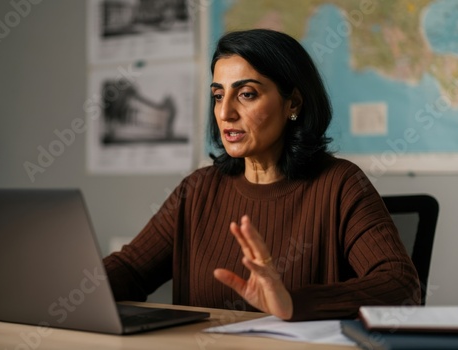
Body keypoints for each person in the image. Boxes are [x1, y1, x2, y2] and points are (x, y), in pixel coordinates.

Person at [104, 28, 420, 321]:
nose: (225, 112)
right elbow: (130, 270)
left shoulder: (341, 184)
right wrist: (68, 288)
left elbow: (401, 286)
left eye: (247, 94)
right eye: (218, 95)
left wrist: (291, 302)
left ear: (293, 102)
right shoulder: (197, 189)